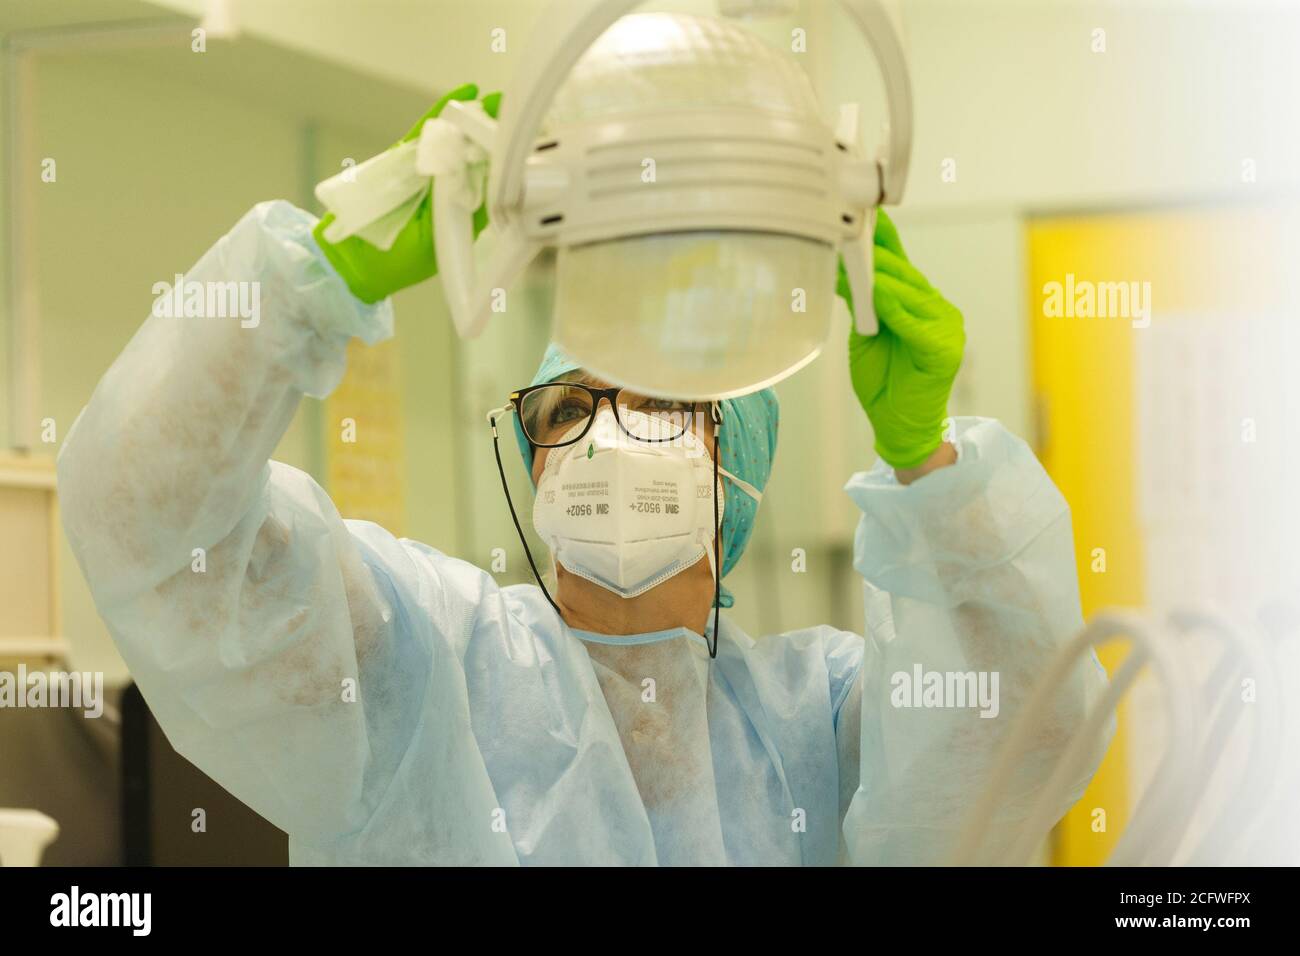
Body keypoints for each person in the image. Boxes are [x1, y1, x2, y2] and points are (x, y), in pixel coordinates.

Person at [57, 75, 1109, 865]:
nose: (605, 435)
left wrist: (930, 464)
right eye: (568, 408)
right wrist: (307, 281)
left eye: (659, 406)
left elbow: (1030, 730)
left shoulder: (818, 721)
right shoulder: (422, 671)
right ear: (528, 455)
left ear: (731, 470)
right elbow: (155, 526)